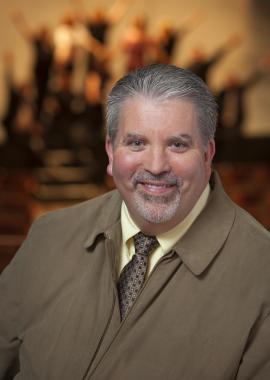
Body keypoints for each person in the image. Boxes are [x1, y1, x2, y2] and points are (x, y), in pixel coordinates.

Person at [0, 64, 270, 380]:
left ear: (208, 155)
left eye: (178, 144)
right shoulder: (49, 235)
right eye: (137, 143)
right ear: (111, 154)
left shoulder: (261, 272)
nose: (156, 166)